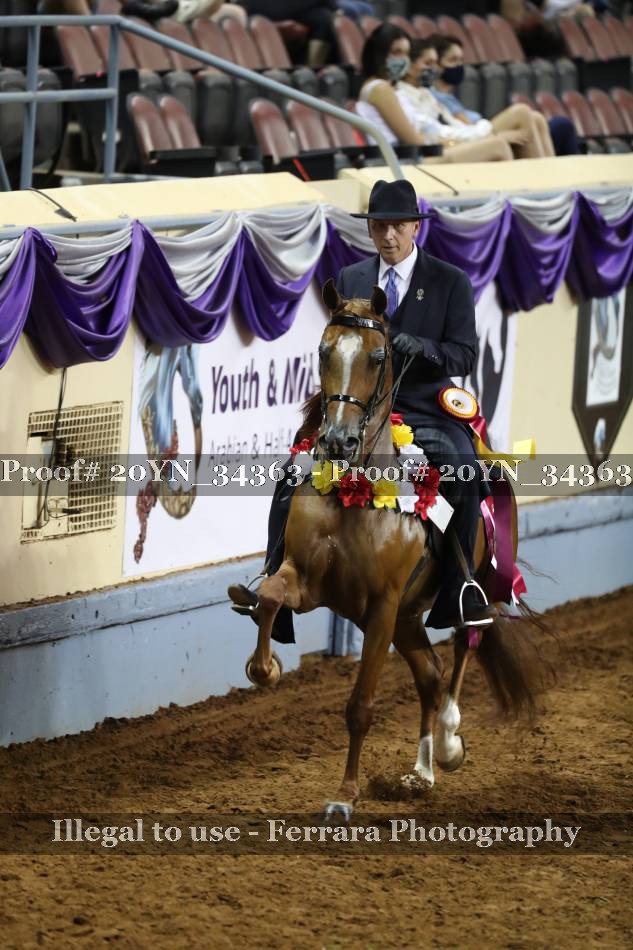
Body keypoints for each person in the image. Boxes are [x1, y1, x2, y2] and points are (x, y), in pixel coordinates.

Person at [228, 178, 497, 639]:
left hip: (422, 408)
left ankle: (461, 588)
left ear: (416, 227)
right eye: (379, 227)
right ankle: (271, 576)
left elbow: (465, 355)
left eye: (397, 226)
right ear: (370, 229)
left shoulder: (449, 281)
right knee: (294, 469)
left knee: (463, 467)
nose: (388, 236)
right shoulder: (352, 278)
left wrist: (424, 347)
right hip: (357, 413)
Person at [354, 24, 514, 162]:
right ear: (379, 53)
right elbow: (413, 141)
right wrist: (457, 144)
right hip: (409, 161)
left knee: (498, 141)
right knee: (497, 145)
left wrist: (457, 143)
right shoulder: (380, 89)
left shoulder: (389, 87)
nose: (403, 59)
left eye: (406, 53)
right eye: (397, 52)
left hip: (422, 152)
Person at [432, 34, 558, 159]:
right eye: (453, 60)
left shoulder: (450, 97)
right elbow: (466, 128)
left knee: (537, 118)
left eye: (461, 60)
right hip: (473, 137)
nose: (459, 65)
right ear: (437, 65)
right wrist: (495, 136)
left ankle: (550, 167)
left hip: (480, 131)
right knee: (521, 111)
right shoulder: (437, 97)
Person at [396, 37, 520, 162]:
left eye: (435, 64)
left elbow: (454, 125)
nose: (435, 69)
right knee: (498, 144)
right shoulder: (403, 96)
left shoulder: (425, 94)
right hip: (428, 155)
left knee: (520, 116)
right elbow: (435, 136)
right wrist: (488, 135)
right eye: (428, 63)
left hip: (452, 142)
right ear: (409, 67)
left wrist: (485, 134)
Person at [240, 0, 337, 67]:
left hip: (299, 17)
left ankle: (313, 69)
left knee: (325, 19)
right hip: (259, 19)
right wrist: (275, 26)